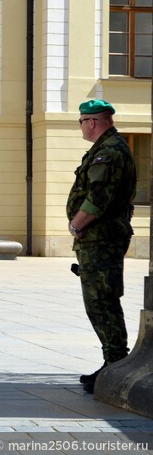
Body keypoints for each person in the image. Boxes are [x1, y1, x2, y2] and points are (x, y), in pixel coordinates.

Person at [67, 99, 136, 394]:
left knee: (102, 302)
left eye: (82, 122)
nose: (81, 127)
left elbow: (98, 198)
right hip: (99, 239)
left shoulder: (108, 152)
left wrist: (76, 225)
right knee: (99, 302)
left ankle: (115, 364)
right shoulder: (107, 148)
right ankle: (112, 362)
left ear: (92, 122)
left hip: (101, 239)